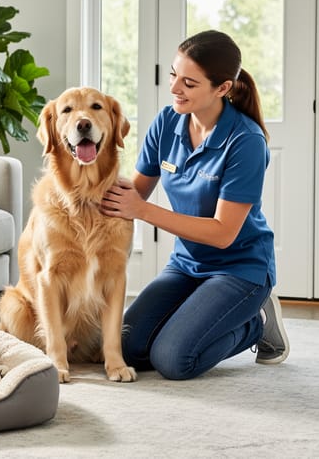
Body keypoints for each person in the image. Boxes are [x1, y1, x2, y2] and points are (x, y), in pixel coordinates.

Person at [100, 29, 288, 380]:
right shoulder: (167, 121)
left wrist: (141, 211)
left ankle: (255, 324)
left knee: (174, 360)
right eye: (173, 75)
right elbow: (135, 193)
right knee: (124, 348)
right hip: (186, 265)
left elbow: (222, 234)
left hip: (238, 269)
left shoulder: (245, 141)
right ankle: (199, 317)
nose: (174, 88)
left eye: (189, 82)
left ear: (222, 89)